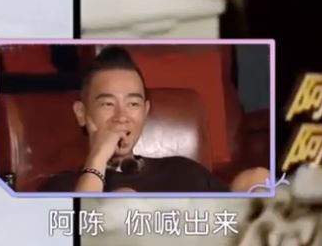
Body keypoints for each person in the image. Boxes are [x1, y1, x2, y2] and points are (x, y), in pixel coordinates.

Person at [39, 46, 269, 193]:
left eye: (133, 104)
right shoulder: (61, 187)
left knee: (258, 178)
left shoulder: (182, 170)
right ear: (82, 113)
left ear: (145, 111)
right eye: (107, 104)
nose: (121, 117)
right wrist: (98, 158)